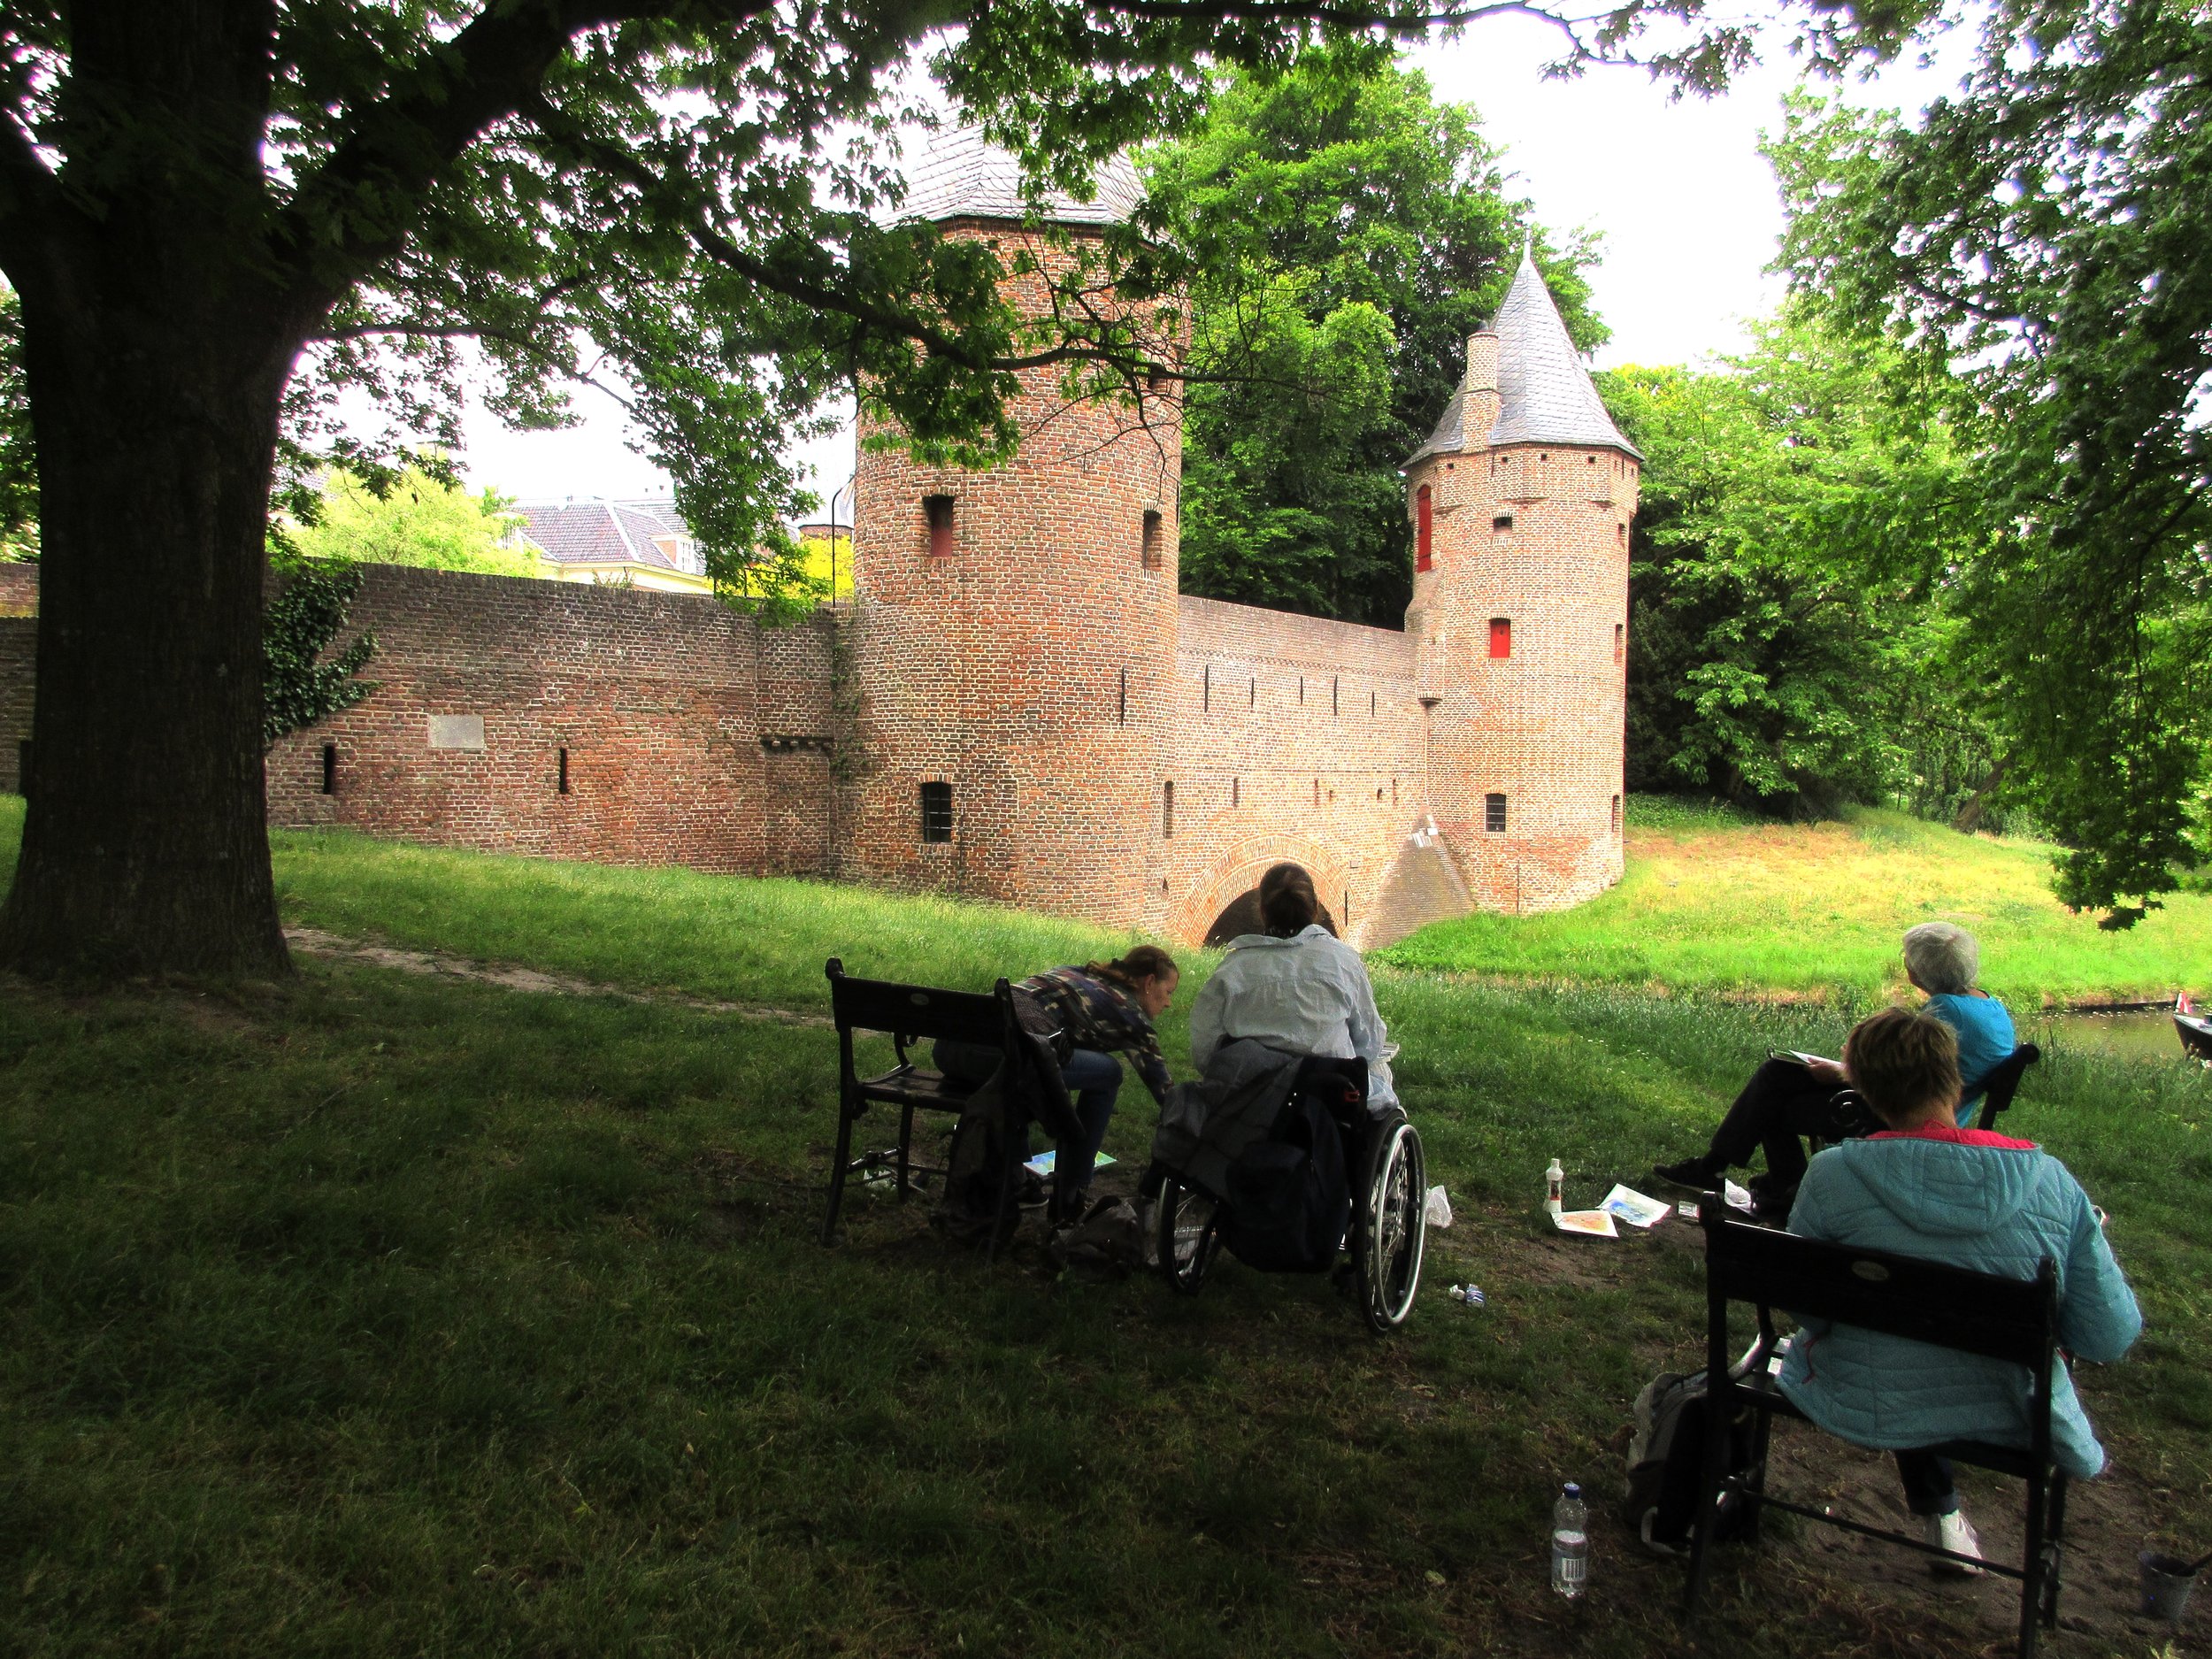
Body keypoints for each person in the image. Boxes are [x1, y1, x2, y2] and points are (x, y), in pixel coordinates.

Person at [1776, 1006, 2139, 1572]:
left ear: (1865, 1091)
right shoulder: (2052, 1184)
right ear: (1956, 1078)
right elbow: (2108, 1336)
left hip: (1869, 1388)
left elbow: (1806, 1310)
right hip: (2010, 1405)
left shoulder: (1833, 1175)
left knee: (1902, 1348)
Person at [1653, 922, 2018, 1211]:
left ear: (1918, 973)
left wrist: (1841, 1072)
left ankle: (1771, 1183)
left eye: (1907, 958)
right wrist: (1837, 1067)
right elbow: (1915, 1070)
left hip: (1901, 1113)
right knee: (1778, 1072)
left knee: (1775, 1100)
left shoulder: (1946, 1012)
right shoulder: (1989, 1004)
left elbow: (1906, 1079)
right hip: (1914, 1099)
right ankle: (1753, 1177)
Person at [934, 946, 1179, 1211]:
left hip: (950, 1049)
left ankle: (1016, 1176)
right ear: (1149, 982)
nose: (1168, 1003)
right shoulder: (1132, 1016)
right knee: (1109, 1072)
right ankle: (1071, 1192)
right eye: (1168, 993)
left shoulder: (1075, 972)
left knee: (1040, 1066)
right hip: (1001, 1056)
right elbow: (1166, 1094)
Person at [1188, 863, 1399, 1110]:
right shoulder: (1343, 961)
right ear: (1315, 909)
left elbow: (1205, 1051)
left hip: (1252, 1108)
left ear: (1262, 911)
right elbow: (1370, 1041)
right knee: (1378, 1071)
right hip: (1331, 1102)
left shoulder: (1232, 971)